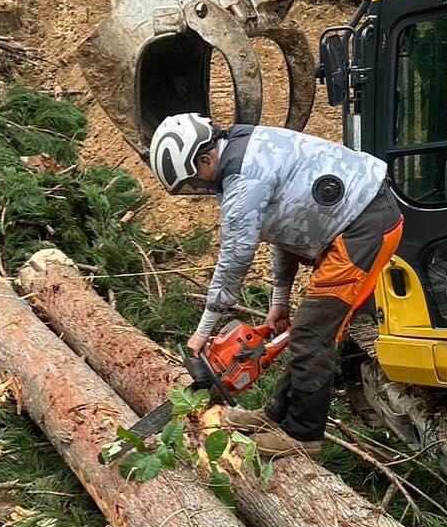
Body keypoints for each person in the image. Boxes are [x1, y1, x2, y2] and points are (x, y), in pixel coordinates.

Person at [148, 114, 402, 456]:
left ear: (205, 158)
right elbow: (286, 229)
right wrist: (279, 299)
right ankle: (275, 415)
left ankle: (303, 436)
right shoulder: (249, 151)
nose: (199, 189)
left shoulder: (243, 179)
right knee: (307, 332)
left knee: (313, 335)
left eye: (195, 180)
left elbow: (235, 256)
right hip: (353, 221)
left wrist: (204, 330)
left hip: (363, 228)